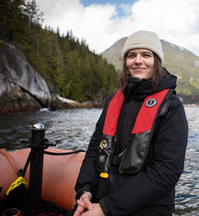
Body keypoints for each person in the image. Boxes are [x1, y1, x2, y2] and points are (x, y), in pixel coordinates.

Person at [73, 30, 188, 216]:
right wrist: (84, 190)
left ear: (156, 61)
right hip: (102, 197)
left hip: (149, 206)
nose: (138, 60)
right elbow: (95, 148)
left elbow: (167, 170)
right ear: (125, 62)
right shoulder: (114, 101)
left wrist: (106, 208)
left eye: (146, 55)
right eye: (131, 55)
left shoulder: (172, 107)